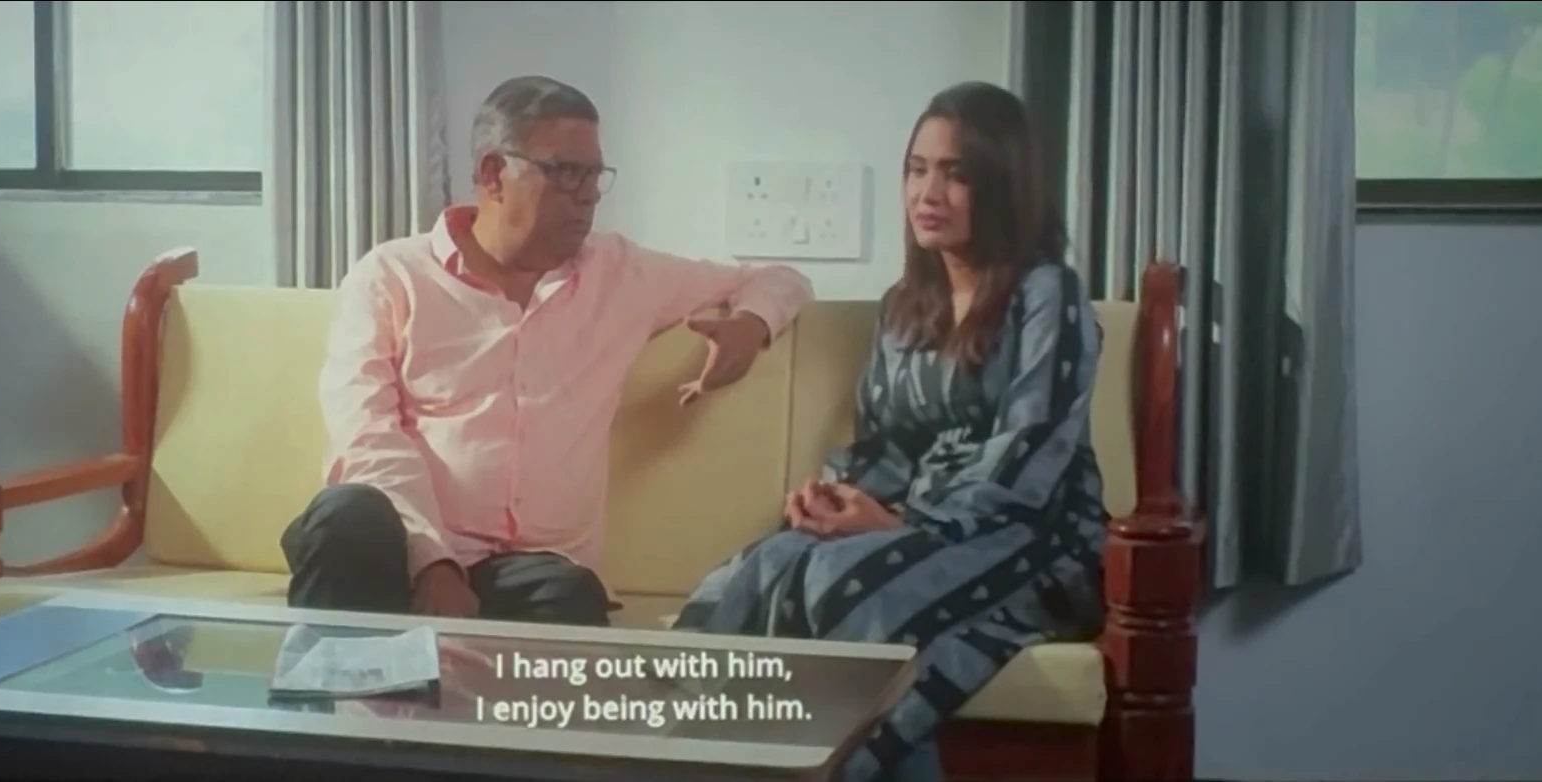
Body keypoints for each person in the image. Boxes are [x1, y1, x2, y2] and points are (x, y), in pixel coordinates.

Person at [672, 81, 1109, 782]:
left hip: (1029, 534)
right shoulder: (904, 304)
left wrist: (901, 522)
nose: (927, 193)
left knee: (853, 590)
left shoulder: (1047, 293)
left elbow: (1031, 451)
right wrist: (837, 500)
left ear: (1002, 184)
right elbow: (882, 444)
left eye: (956, 174)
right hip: (910, 522)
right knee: (762, 569)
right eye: (917, 169)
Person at [282, 75, 815, 628]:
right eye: (565, 172)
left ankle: (434, 672)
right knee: (346, 514)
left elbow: (780, 278)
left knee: (569, 592)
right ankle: (340, 681)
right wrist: (432, 562)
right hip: (400, 551)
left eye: (595, 175)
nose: (588, 194)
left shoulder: (624, 275)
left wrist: (751, 324)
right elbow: (364, 431)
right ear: (494, 174)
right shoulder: (393, 275)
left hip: (528, 574)